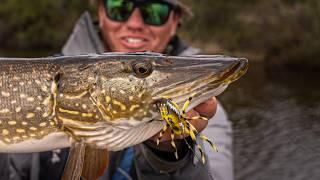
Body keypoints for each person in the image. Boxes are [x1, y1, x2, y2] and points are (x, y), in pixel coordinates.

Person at [2, 0, 233, 179]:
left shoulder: (204, 109)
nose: (134, 23)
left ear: (175, 22)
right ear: (101, 13)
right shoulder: (53, 78)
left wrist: (172, 155)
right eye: (119, 7)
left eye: (154, 11)